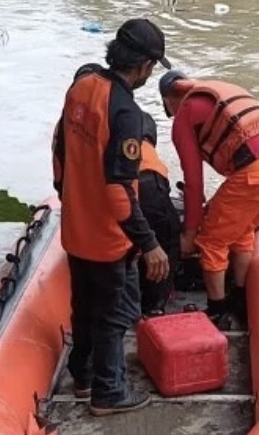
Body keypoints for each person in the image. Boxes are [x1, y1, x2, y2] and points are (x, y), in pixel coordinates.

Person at [50, 18, 172, 415]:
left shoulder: (80, 88)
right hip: (107, 239)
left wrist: (66, 199)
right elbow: (119, 187)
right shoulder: (126, 113)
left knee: (83, 307)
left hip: (76, 230)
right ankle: (109, 391)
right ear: (145, 66)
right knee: (114, 315)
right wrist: (148, 243)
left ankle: (82, 376)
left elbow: (60, 154)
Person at [157, 70, 259, 329]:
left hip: (255, 173)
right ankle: (239, 298)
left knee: (210, 240)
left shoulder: (184, 115)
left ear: (169, 101)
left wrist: (189, 233)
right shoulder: (220, 92)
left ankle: (217, 311)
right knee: (242, 231)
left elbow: (194, 182)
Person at [136, 110, 182, 316]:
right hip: (148, 187)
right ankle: (155, 306)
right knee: (168, 239)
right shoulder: (149, 155)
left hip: (114, 191)